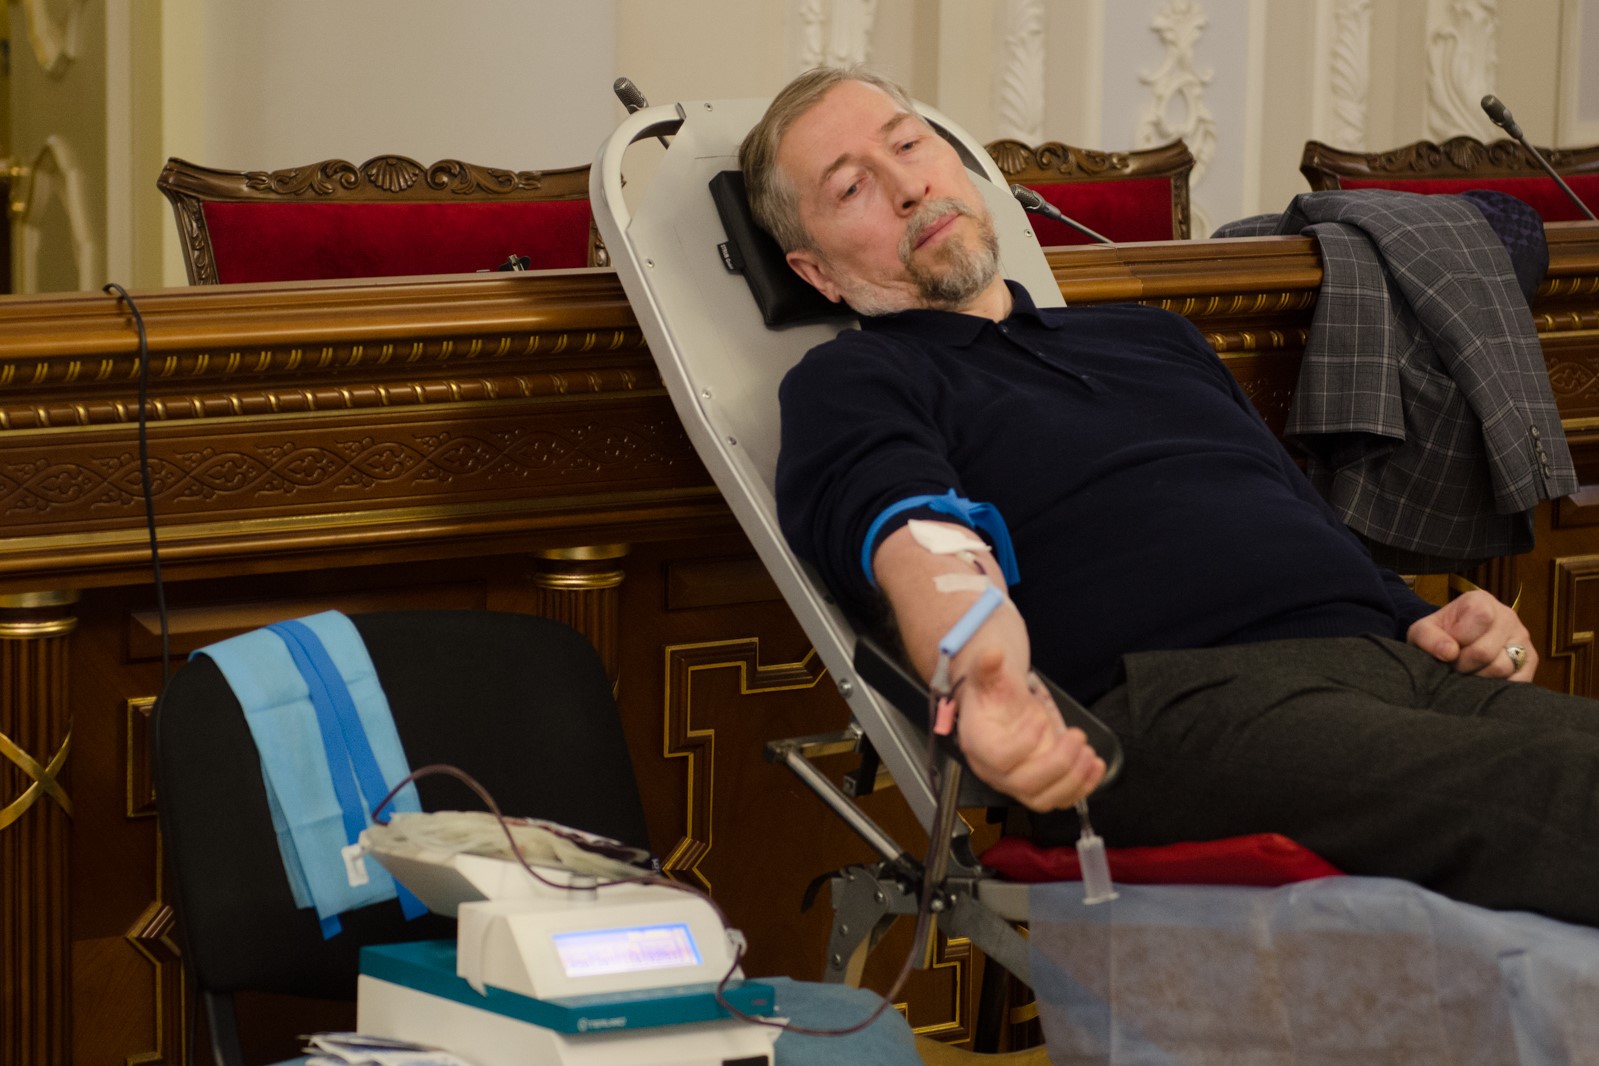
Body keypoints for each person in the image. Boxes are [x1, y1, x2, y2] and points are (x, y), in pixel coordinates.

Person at [740, 65, 1599, 926]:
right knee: (1563, 799)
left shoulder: (1152, 336)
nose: (906, 187)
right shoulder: (855, 378)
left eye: (908, 144)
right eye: (850, 187)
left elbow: (1298, 520)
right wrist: (979, 670)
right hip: (1178, 704)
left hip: (1394, 667)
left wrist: (1422, 616)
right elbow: (914, 534)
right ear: (815, 272)